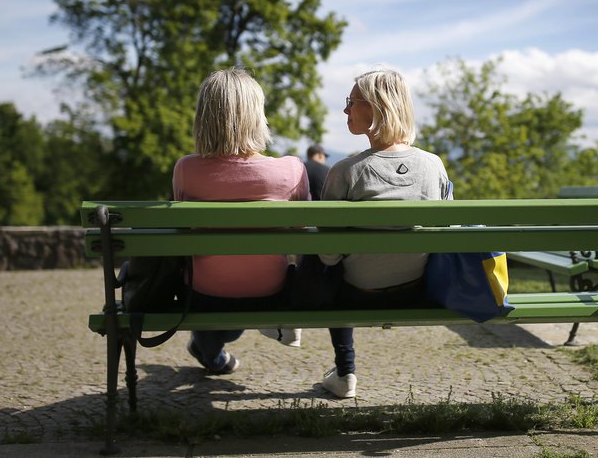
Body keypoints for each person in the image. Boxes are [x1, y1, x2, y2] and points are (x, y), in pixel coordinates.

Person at [298, 68, 452, 399]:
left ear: (376, 107)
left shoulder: (345, 171)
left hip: (357, 294)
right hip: (417, 291)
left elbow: (328, 255)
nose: (345, 110)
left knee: (323, 261)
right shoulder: (434, 165)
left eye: (351, 102)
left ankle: (344, 373)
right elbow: (445, 234)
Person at [173, 68, 310, 374]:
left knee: (220, 319)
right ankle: (212, 350)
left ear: (204, 116)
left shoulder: (186, 169)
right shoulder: (291, 170)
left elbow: (184, 232)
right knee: (234, 319)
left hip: (204, 294)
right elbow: (305, 236)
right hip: (269, 290)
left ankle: (210, 351)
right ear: (256, 114)